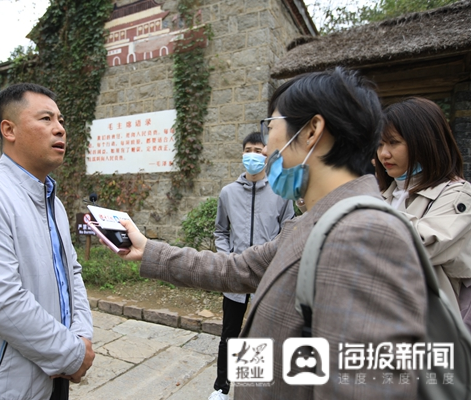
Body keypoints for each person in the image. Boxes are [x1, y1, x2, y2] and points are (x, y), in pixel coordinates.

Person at [116, 68, 427, 399]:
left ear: (312, 131)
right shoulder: (313, 222)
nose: (265, 147)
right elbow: (237, 268)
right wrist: (148, 249)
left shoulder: (368, 235)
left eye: (271, 126)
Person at [0, 83, 94, 400]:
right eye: (46, 119)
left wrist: (81, 336)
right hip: (1, 385)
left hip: (54, 374)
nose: (60, 129)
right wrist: (72, 354)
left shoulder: (53, 202)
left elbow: (71, 275)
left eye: (60, 120)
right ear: (8, 130)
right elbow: (1, 301)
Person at [375, 97, 471, 331]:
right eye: (378, 145)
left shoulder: (459, 195)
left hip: (433, 331)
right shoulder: (386, 195)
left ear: (425, 142)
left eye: (393, 142)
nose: (383, 154)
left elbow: (422, 244)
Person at [210, 132, 293, 400]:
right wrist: (226, 257)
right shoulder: (228, 193)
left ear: (267, 157)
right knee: (230, 334)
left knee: (260, 334)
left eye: (259, 150)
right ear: (242, 154)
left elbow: (288, 231)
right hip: (234, 276)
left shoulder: (281, 193)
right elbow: (220, 231)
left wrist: (273, 261)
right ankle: (222, 388)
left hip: (266, 277)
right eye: (249, 149)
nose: (253, 155)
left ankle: (251, 391)